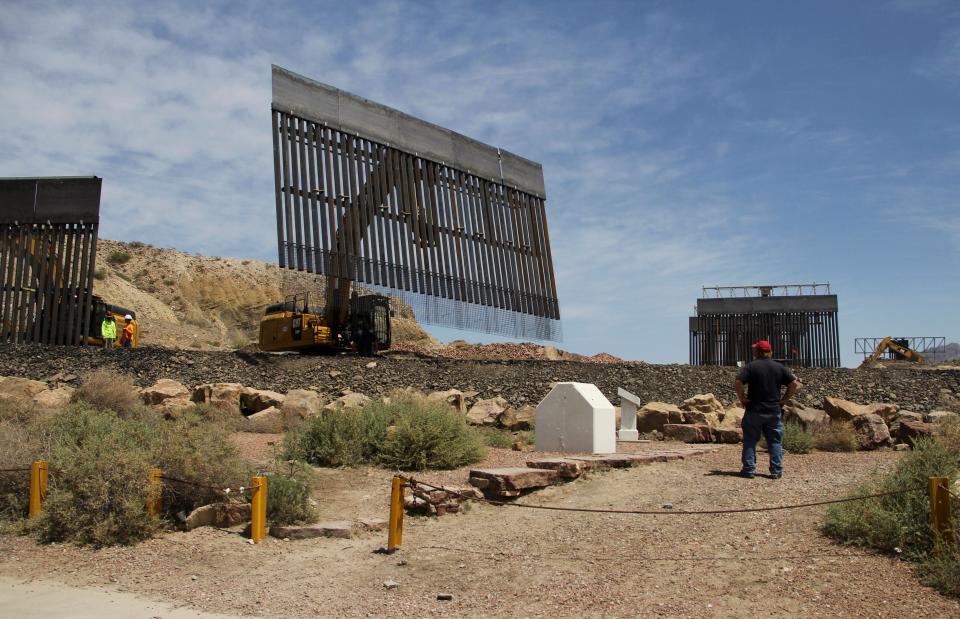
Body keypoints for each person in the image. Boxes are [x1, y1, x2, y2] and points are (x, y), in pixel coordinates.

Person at [734, 340, 799, 479]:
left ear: (757, 352)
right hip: (773, 410)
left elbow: (738, 382)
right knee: (774, 441)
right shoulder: (779, 367)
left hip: (754, 409)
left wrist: (742, 398)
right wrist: (784, 400)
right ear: (770, 352)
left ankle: (749, 469)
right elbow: (793, 383)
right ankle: (776, 470)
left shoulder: (751, 367)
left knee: (750, 440)